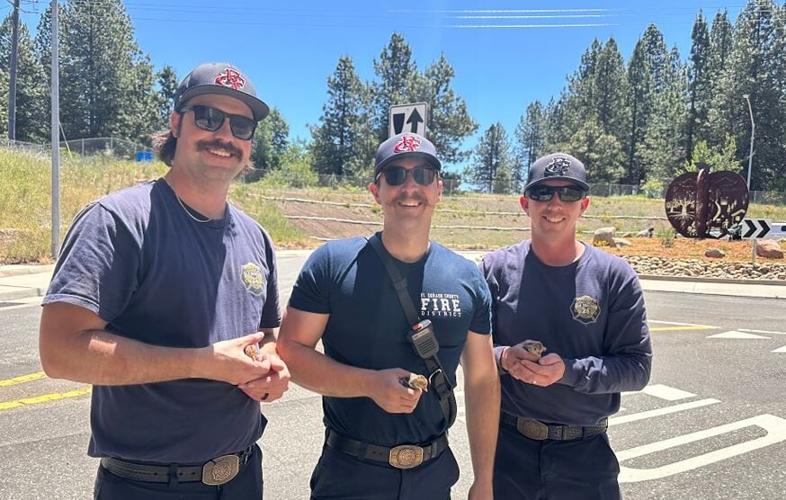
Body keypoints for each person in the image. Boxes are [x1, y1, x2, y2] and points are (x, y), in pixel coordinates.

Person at [39, 62, 289, 500]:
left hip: (244, 476)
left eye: (241, 125)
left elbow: (266, 334)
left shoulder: (256, 236)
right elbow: (60, 351)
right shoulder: (118, 221)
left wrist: (272, 367)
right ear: (176, 123)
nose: (225, 135)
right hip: (149, 485)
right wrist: (203, 362)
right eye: (208, 116)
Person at [277, 132, 500, 500]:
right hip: (349, 475)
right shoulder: (333, 264)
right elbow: (291, 351)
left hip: (433, 476)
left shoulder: (467, 277)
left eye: (423, 175)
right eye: (395, 175)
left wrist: (485, 479)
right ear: (375, 190)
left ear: (439, 189)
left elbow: (482, 380)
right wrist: (369, 384)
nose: (409, 186)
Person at [480, 153, 652, 500]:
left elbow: (637, 368)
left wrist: (568, 371)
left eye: (569, 193)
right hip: (509, 451)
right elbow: (468, 351)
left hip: (585, 456)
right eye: (543, 192)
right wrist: (502, 358)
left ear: (584, 204)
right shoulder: (495, 270)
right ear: (525, 203)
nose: (555, 203)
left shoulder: (614, 277)